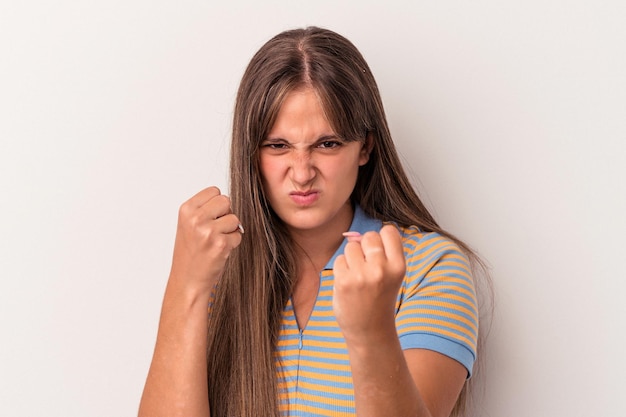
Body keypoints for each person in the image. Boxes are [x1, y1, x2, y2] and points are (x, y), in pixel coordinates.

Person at [139, 26, 486, 417]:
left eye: (327, 144)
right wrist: (185, 286)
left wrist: (371, 331)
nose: (302, 173)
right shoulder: (216, 267)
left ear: (365, 148)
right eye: (278, 146)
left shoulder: (429, 268)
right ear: (250, 153)